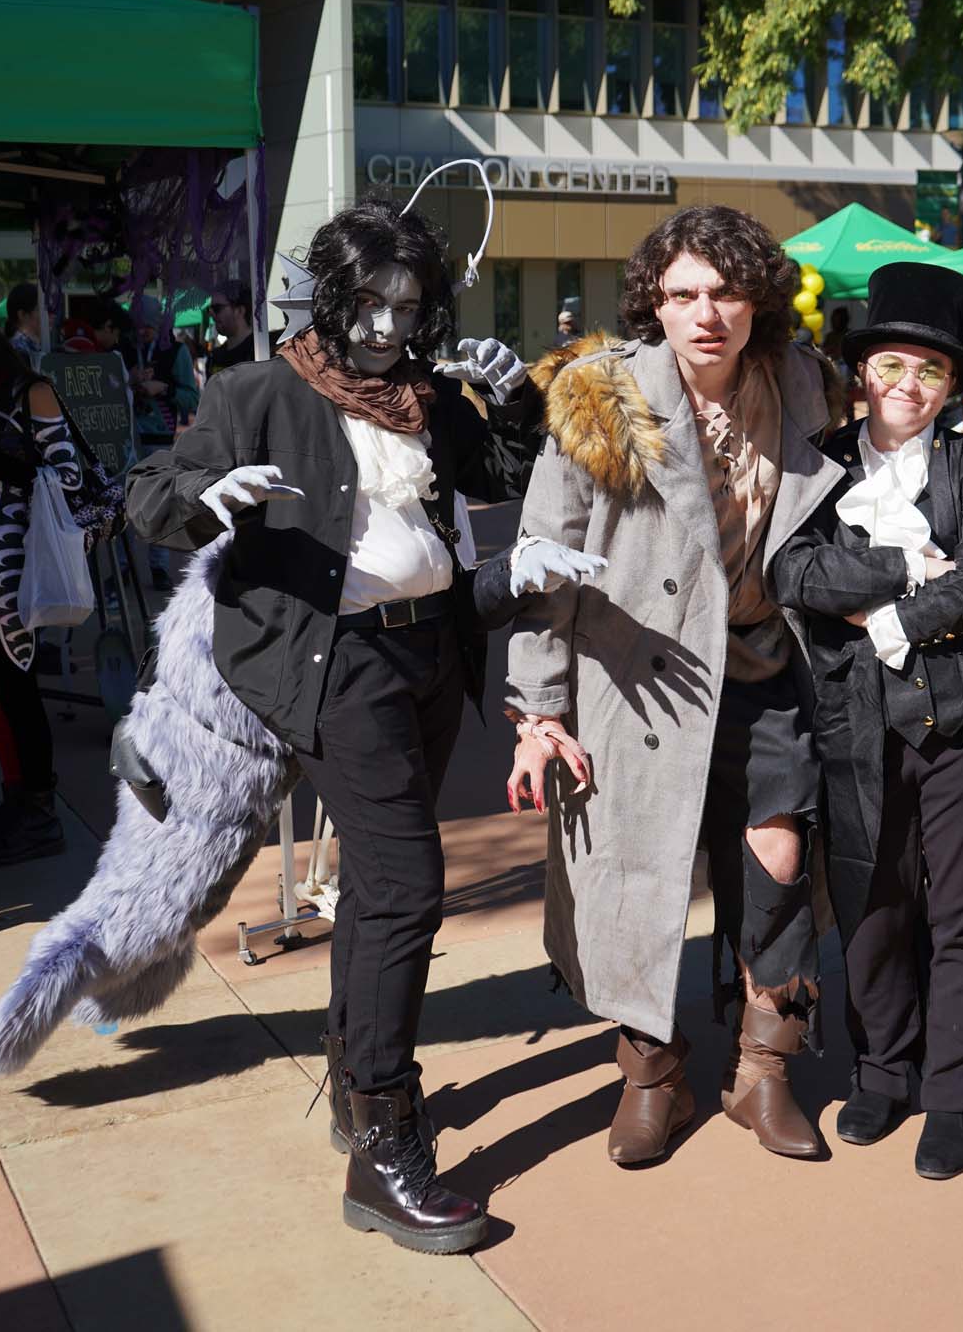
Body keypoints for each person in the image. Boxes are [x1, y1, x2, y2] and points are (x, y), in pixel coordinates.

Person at [126, 196, 571, 1255]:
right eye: (367, 303)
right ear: (330, 297)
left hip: (433, 657)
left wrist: (515, 400)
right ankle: (383, 1140)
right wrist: (211, 493)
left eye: (406, 307)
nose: (384, 326)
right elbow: (148, 494)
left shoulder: (426, 394)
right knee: (408, 887)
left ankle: (350, 1075)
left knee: (377, 885)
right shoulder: (258, 391)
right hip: (338, 669)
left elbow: (505, 475)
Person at [505, 204, 845, 1169]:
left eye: (726, 292)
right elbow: (544, 560)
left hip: (763, 663)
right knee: (631, 873)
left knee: (779, 852)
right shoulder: (599, 396)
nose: (705, 314)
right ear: (654, 301)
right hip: (639, 678)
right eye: (684, 292)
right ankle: (652, 1073)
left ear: (758, 301)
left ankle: (762, 1071)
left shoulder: (803, 382)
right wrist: (537, 709)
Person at [770, 263, 963, 1179]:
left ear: (950, 383)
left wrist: (891, 620)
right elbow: (794, 572)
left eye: (930, 370)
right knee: (872, 902)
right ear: (863, 371)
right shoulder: (819, 461)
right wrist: (908, 569)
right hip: (857, 720)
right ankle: (884, 1069)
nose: (908, 384)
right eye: (892, 364)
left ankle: (956, 1092)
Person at [0, 299, 82, 867]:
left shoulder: (30, 392)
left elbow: (69, 477)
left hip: (11, 569)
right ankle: (17, 805)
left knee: (16, 688)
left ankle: (38, 812)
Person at [121, 295, 200, 590]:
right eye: (138, 326)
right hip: (126, 439)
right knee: (123, 505)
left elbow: (192, 398)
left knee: (158, 503)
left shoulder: (176, 352)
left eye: (149, 326)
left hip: (160, 440)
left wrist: (163, 389)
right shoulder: (125, 350)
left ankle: (159, 567)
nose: (142, 332)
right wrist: (129, 383)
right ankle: (123, 568)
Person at [207, 279, 259, 376]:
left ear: (239, 310)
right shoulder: (215, 356)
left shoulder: (260, 352)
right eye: (209, 310)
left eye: (217, 308)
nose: (211, 314)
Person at [4, 281, 43, 372]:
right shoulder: (18, 351)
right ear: (22, 315)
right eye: (39, 309)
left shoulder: (32, 347)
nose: (46, 316)